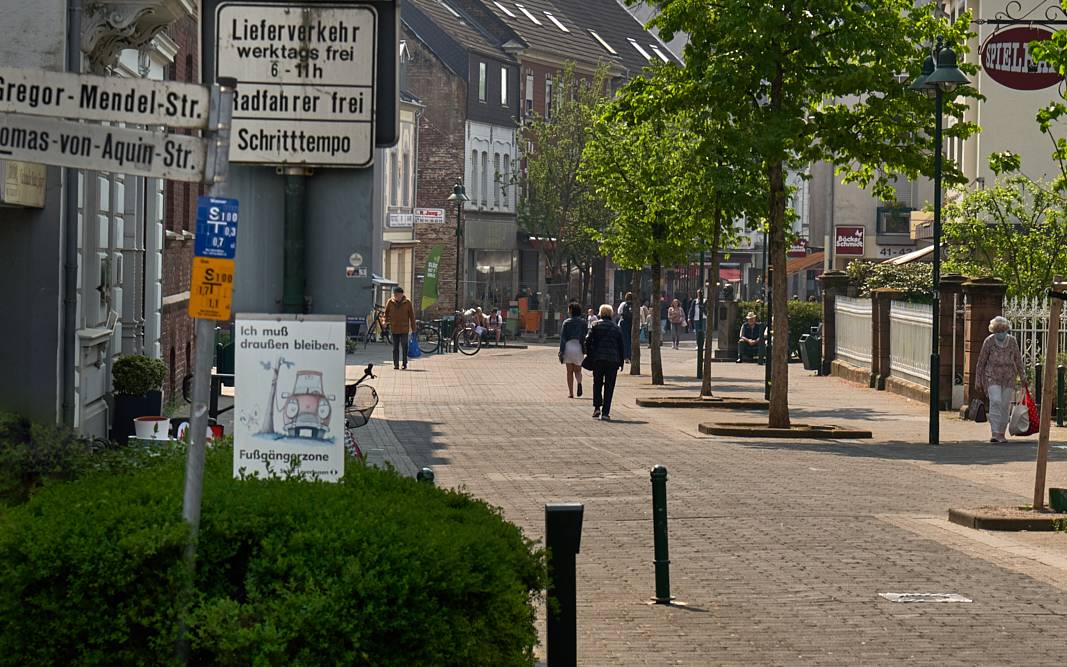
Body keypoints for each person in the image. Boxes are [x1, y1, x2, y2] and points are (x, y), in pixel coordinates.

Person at [974, 315, 1028, 443]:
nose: (1000, 333)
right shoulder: (989, 341)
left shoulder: (1012, 341)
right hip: (992, 376)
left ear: (1007, 330)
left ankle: (1001, 433)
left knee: (1005, 405)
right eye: (997, 331)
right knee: (996, 401)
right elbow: (981, 362)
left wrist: (1023, 376)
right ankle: (994, 432)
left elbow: (1018, 360)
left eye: (1003, 330)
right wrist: (978, 379)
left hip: (1009, 377)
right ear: (993, 331)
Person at [584, 304, 625, 420]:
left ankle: (597, 407)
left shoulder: (595, 325)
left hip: (598, 359)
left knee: (597, 383)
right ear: (611, 314)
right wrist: (621, 361)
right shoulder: (616, 328)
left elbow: (587, 341)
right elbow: (621, 346)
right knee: (609, 386)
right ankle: (606, 412)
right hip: (613, 360)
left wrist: (590, 354)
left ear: (600, 313)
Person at [559, 302, 588, 399]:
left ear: (571, 310)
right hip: (579, 347)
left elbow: (563, 338)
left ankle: (571, 393)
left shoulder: (566, 322)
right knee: (578, 370)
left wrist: (561, 351)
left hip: (568, 346)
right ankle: (579, 382)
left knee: (569, 371)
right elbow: (585, 335)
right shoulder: (583, 322)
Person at [384, 286, 417, 370]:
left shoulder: (407, 302)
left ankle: (404, 363)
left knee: (404, 345)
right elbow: (386, 313)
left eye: (398, 295)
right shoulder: (390, 302)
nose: (397, 297)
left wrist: (414, 329)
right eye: (395, 295)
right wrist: (385, 321)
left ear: (402, 295)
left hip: (404, 328)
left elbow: (412, 316)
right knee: (395, 347)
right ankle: (396, 364)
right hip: (394, 328)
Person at [617, 292, 634, 362]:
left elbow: (619, 312)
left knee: (625, 340)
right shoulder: (635, 305)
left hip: (624, 323)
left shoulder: (623, 304)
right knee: (631, 339)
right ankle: (631, 356)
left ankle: (625, 356)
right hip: (632, 323)